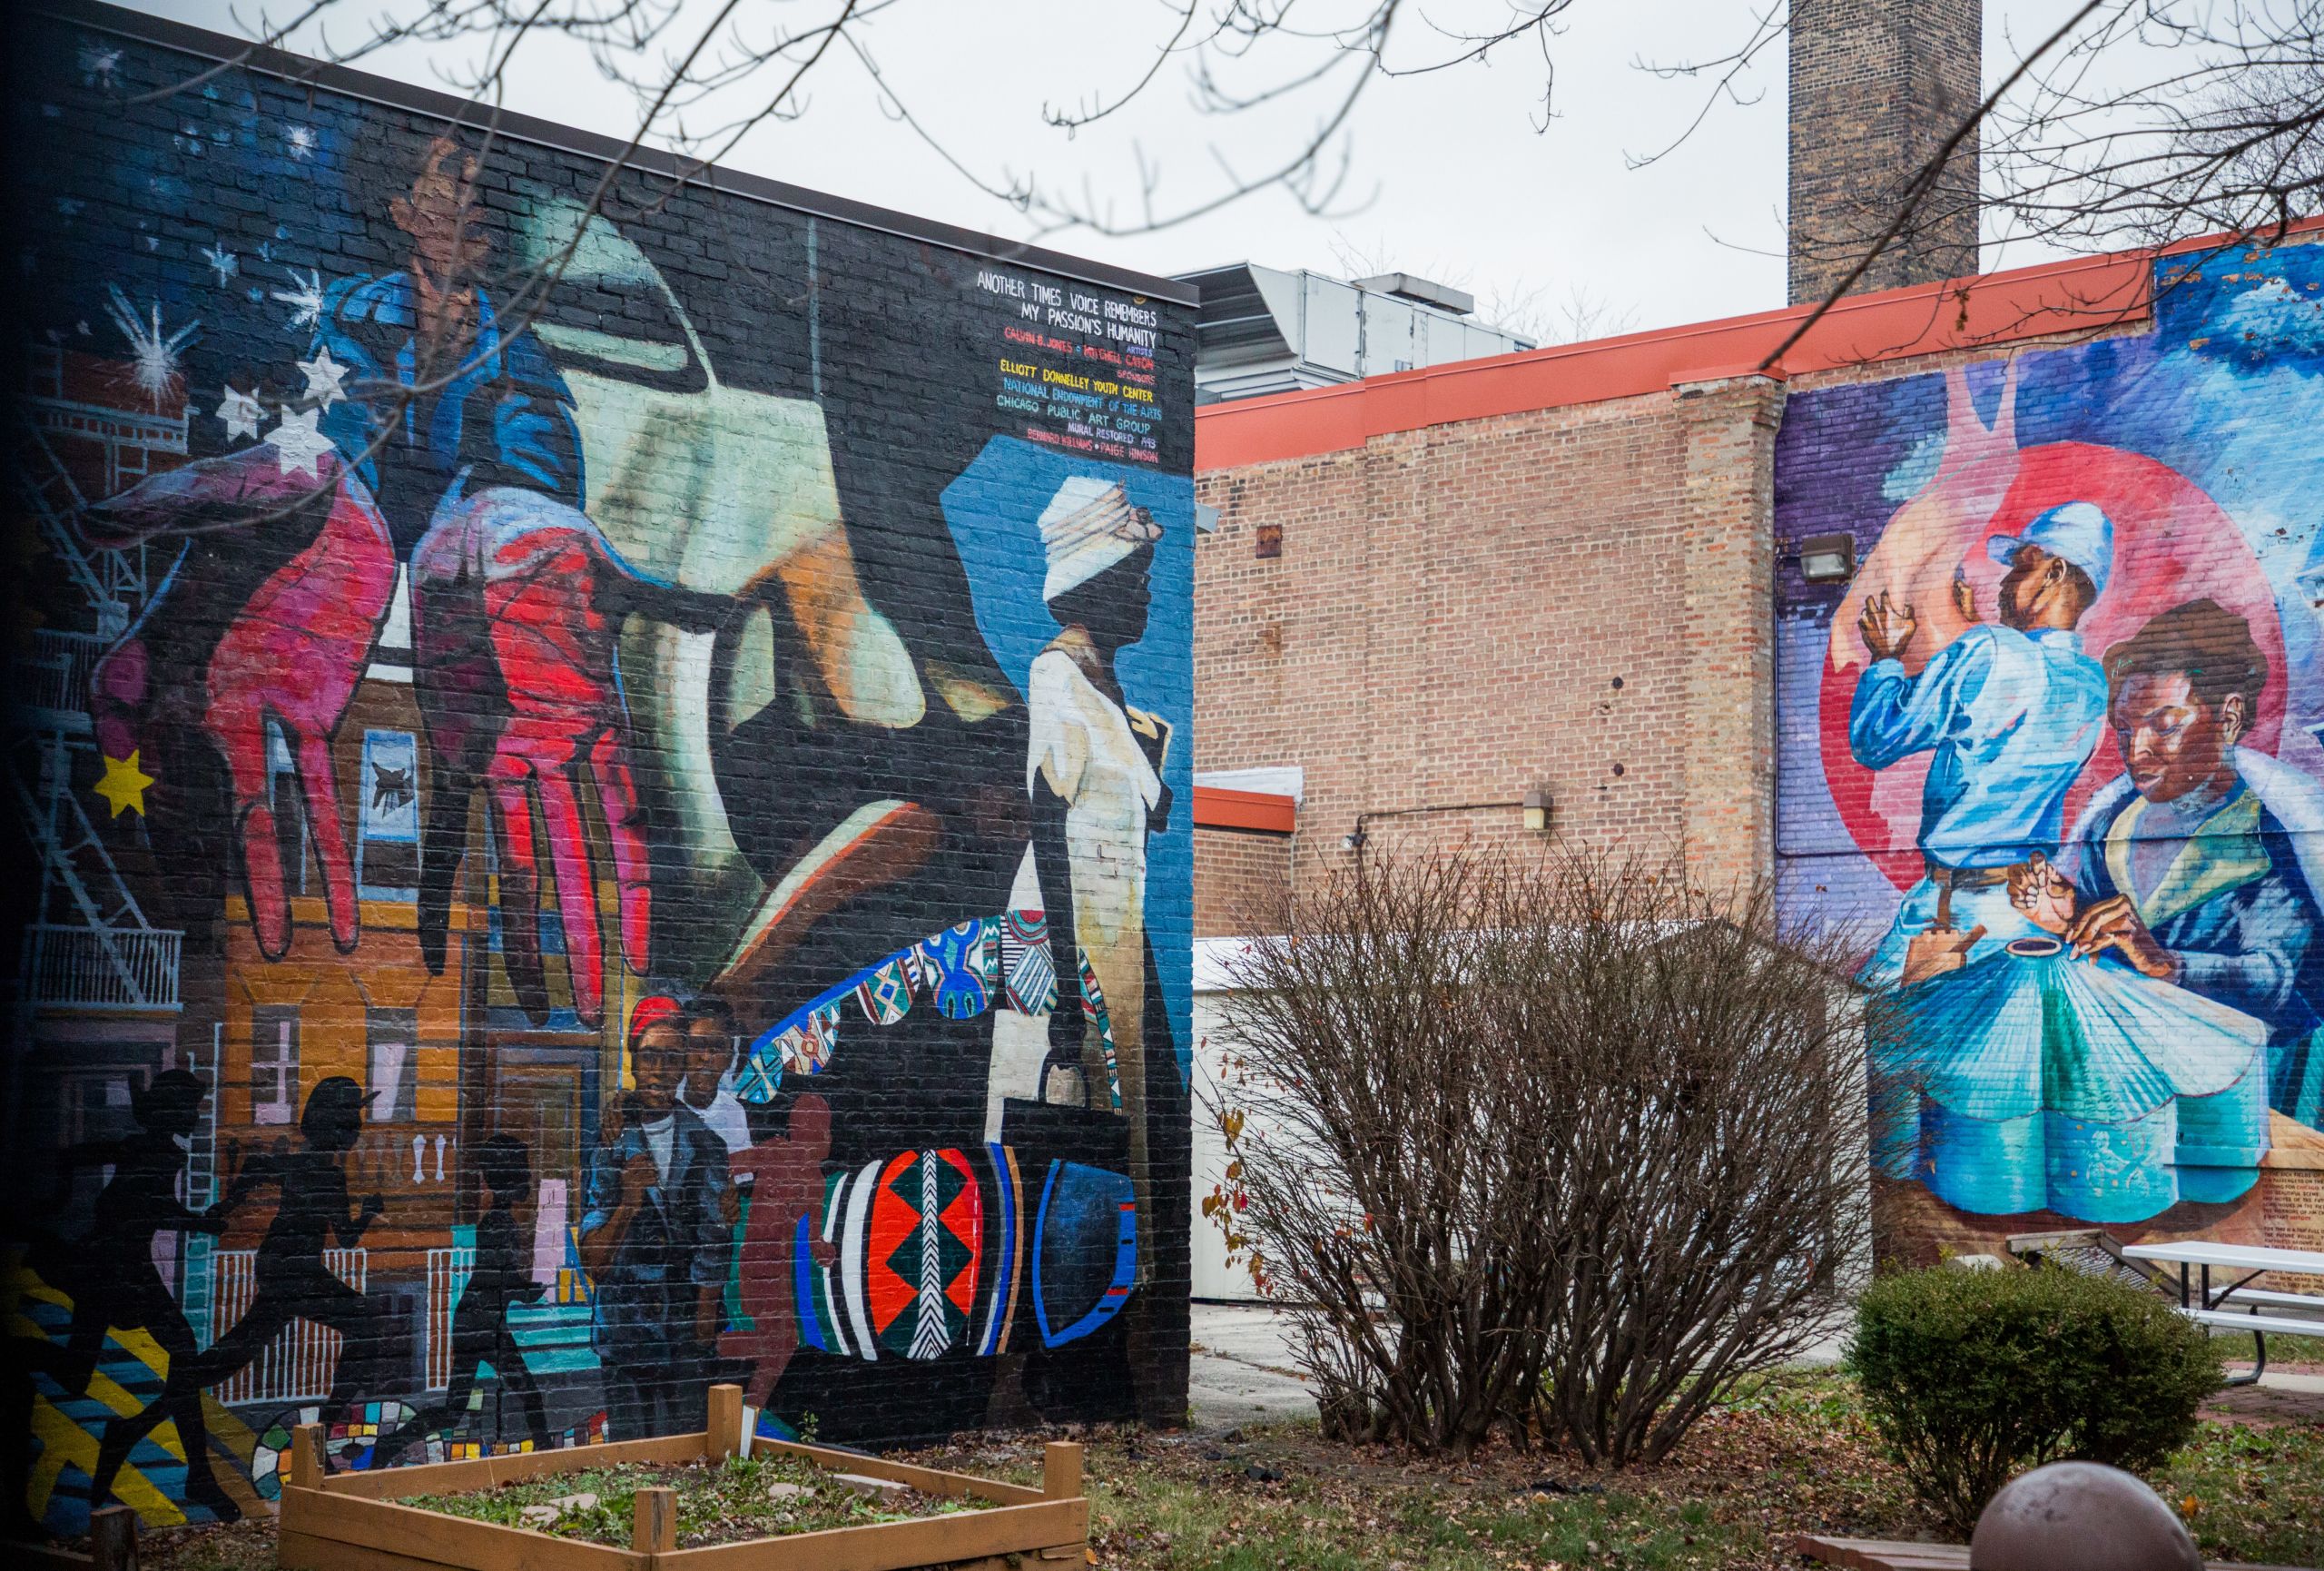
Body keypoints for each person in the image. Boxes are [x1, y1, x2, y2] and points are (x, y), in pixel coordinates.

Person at [2012, 599, 2324, 1129]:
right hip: (2130, 1091)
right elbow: (2105, 956)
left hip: (2240, 1101)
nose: (2138, 751)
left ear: (2227, 718)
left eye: (2165, 724)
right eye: (2126, 729)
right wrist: (2065, 919)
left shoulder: (2271, 839)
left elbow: (2278, 976)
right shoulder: (2109, 824)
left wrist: (2166, 963)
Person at [1850, 500, 2114, 988]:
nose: (2003, 583)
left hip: (1950, 911)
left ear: (2054, 571)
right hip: (2024, 911)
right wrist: (1975, 636)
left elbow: (1875, 740)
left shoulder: (1990, 650)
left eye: (2019, 567)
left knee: (1858, 1033)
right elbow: (2009, 720)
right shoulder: (2092, 682)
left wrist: (1886, 657)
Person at [1025, 477, 1172, 1269]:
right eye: (1139, 581)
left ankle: (1116, 1294)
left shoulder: (1106, 691)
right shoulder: (1058, 680)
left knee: (1136, 1123)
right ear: (1099, 584)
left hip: (1122, 936)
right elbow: (1046, 825)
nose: (1149, 596)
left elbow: (1151, 811)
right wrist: (1064, 996)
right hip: (1081, 939)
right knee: (1088, 1131)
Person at [36, 1070, 240, 1521]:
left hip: (119, 1264)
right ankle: (186, 1468)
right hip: (114, 1267)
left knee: (82, 1373)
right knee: (164, 1354)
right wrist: (199, 1222)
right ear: (172, 1110)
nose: (196, 1114)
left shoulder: (146, 1146)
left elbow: (75, 1156)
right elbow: (151, 1208)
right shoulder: (160, 1151)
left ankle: (183, 1467)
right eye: (191, 1107)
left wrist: (60, 1198)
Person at [196, 1078, 385, 1435]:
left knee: (238, 1349)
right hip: (295, 1272)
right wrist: (370, 1211)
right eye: (351, 1119)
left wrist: (227, 1205)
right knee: (364, 1324)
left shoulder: (302, 1165)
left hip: (279, 1265)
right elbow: (346, 1239)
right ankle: (327, 1424)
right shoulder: (329, 1175)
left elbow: (255, 1168)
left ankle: (175, 1391)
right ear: (334, 1124)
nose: (358, 1128)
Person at [580, 996, 732, 1438]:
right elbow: (595, 1263)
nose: (660, 1069)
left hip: (686, 1338)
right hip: (626, 1338)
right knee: (631, 1460)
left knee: (688, 1451)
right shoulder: (610, 1145)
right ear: (634, 1062)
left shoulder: (707, 1146)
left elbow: (713, 1237)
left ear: (684, 1065)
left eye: (671, 1057)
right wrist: (627, 1203)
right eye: (650, 1056)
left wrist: (704, 1320)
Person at [377, 1135, 550, 1459]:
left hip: (477, 1321)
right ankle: (550, 1457)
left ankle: (389, 1444)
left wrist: (523, 1290)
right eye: (524, 1172)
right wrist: (528, 1292)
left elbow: (497, 1276)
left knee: (454, 1410)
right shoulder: (501, 1223)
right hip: (484, 1325)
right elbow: (499, 1277)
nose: (529, 1178)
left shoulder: (497, 1221)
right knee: (530, 1395)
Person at [717, 1094, 834, 1409]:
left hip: (779, 1273)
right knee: (781, 1343)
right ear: (803, 1132)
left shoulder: (816, 1183)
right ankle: (717, 1350)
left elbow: (814, 1238)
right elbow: (729, 1165)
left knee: (783, 1343)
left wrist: (825, 1251)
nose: (828, 1140)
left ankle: (748, 1411)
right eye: (822, 1130)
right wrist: (726, 1197)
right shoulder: (773, 1152)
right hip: (756, 1266)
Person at [681, 997, 753, 1157]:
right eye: (697, 1045)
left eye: (717, 1047)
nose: (706, 1057)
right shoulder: (665, 1103)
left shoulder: (733, 1113)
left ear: (729, 1058)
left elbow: (741, 1176)